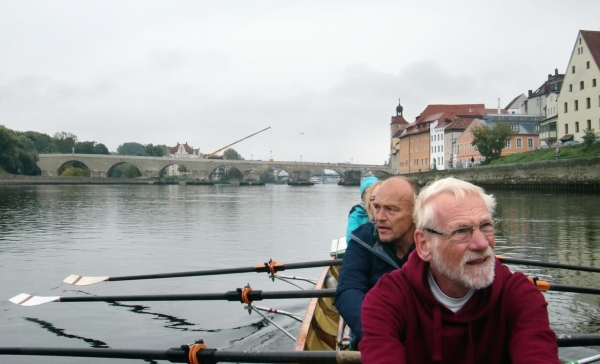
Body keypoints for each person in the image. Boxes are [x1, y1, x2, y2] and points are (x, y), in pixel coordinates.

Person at [360, 177, 559, 363]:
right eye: (461, 231)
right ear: (424, 245)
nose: (482, 243)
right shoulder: (385, 301)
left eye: (486, 225)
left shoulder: (521, 296)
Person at [335, 176, 419, 350]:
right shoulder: (362, 239)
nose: (379, 217)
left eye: (391, 209)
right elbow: (348, 291)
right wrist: (377, 333)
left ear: (415, 213)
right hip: (374, 337)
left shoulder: (433, 242)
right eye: (377, 207)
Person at [345, 176, 379, 243]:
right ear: (362, 197)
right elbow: (350, 239)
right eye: (368, 192)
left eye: (375, 193)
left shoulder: (386, 211)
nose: (370, 195)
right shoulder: (356, 214)